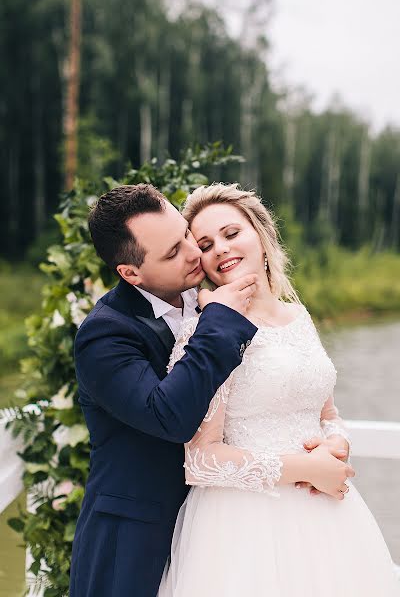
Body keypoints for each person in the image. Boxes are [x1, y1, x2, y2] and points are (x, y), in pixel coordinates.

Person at [158, 183, 399, 597]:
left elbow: (326, 413)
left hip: (329, 515)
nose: (220, 248)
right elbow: (199, 459)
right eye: (206, 243)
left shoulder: (299, 315)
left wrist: (335, 445)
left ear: (262, 236)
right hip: (243, 527)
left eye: (231, 234)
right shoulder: (206, 331)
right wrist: (306, 468)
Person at [69, 183, 260, 597]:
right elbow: (169, 416)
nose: (194, 253)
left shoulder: (209, 287)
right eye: (172, 253)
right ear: (130, 273)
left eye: (186, 235)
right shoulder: (103, 336)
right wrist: (219, 320)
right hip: (136, 544)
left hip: (228, 529)